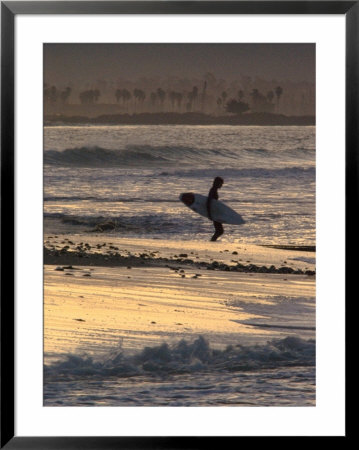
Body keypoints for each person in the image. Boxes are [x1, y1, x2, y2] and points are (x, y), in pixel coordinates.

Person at [207, 177, 224, 241]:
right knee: (220, 230)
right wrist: (209, 214)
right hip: (214, 213)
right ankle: (212, 241)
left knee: (219, 230)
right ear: (217, 183)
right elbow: (208, 202)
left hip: (215, 212)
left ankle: (213, 240)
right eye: (221, 184)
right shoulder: (213, 190)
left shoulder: (214, 190)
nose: (221, 185)